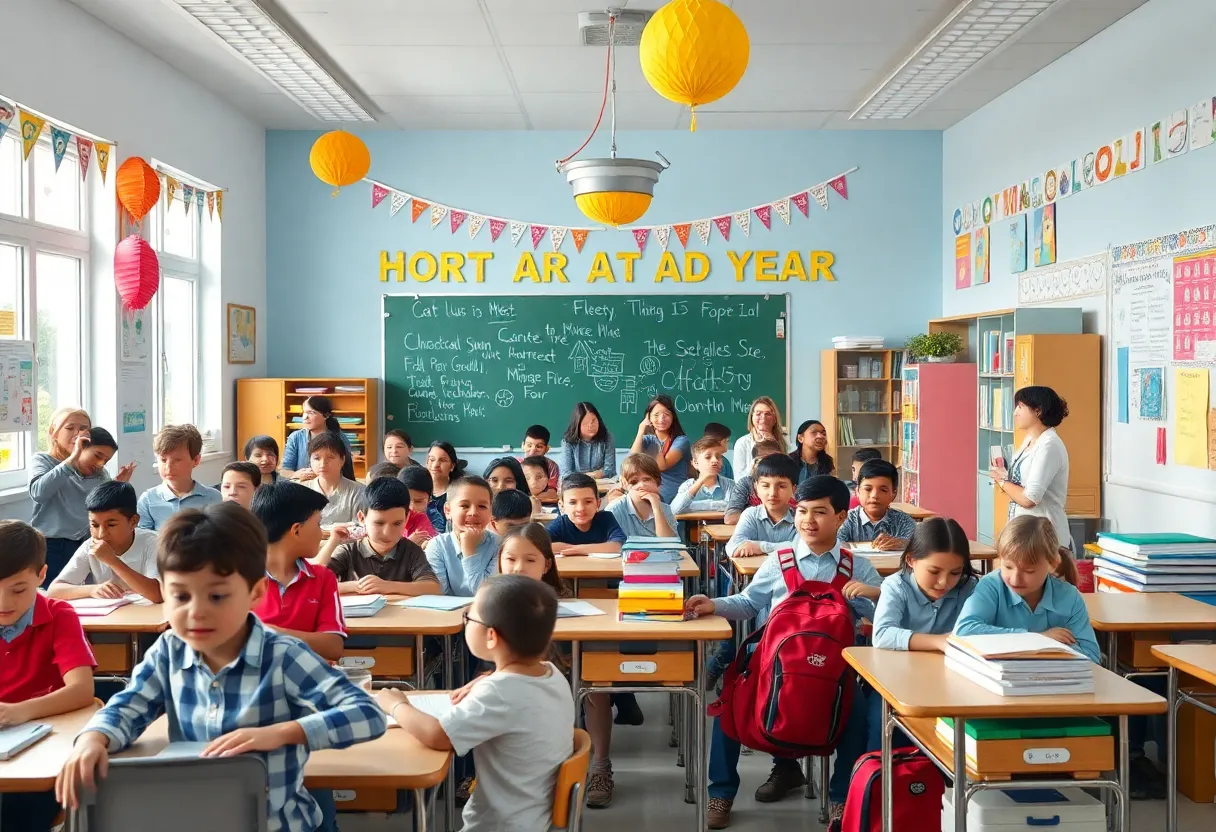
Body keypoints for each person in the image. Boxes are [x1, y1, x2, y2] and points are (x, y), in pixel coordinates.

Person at [55, 503, 386, 832]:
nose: (197, 612)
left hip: (279, 823)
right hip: (200, 816)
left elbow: (366, 713)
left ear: (255, 593)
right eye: (180, 597)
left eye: (216, 597)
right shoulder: (169, 652)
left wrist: (286, 733)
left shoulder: (282, 656)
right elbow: (127, 707)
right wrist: (93, 739)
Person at [686, 476, 881, 828]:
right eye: (802, 511)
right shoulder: (781, 559)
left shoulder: (858, 567)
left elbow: (881, 622)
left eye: (819, 512)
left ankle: (841, 798)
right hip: (774, 667)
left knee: (861, 720)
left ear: (840, 517)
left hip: (833, 675)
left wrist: (874, 595)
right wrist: (711, 604)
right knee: (729, 710)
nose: (808, 520)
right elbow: (748, 603)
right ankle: (722, 792)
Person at [378, 575, 573, 832]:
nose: (466, 621)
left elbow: (439, 736)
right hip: (534, 818)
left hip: (498, 826)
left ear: (491, 636)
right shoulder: (550, 673)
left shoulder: (500, 693)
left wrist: (397, 705)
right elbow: (513, 692)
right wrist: (491, 680)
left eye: (469, 617)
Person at [0, 521, 96, 832]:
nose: (4, 603)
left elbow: (82, 690)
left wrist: (17, 711)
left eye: (18, 590)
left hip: (43, 747)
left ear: (42, 575)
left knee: (18, 814)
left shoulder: (60, 615)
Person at [869, 517, 976, 751]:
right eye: (934, 571)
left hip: (950, 684)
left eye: (955, 573)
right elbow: (883, 635)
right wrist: (939, 642)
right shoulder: (896, 586)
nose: (943, 582)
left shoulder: (968, 589)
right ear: (911, 560)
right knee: (881, 730)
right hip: (897, 683)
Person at [954, 515, 1098, 664]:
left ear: (1052, 564)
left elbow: (1092, 656)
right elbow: (964, 631)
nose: (1015, 579)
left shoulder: (1069, 596)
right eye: (1008, 567)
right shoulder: (991, 586)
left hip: (1051, 682)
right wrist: (1036, 639)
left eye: (1029, 571)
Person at [250, 481, 348, 662]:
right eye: (318, 524)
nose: (321, 534)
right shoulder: (238, 578)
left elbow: (333, 646)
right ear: (296, 530)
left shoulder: (322, 578)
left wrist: (270, 633)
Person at [30, 416, 134, 586]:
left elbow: (102, 508)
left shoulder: (100, 475)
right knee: (52, 596)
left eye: (106, 461)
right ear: (82, 446)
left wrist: (117, 485)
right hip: (51, 545)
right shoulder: (44, 461)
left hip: (83, 544)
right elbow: (39, 493)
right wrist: (73, 458)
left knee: (80, 598)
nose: (100, 464)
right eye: (97, 456)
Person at [988, 386, 1073, 553]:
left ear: (1038, 411)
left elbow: (1029, 499)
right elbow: (1023, 483)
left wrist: (1002, 481)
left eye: (1020, 406)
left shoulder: (1049, 445)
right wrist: (1004, 475)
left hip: (1043, 537)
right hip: (1025, 533)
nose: (1015, 413)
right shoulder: (1030, 440)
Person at [324, 478, 441, 598]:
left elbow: (433, 587)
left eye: (397, 523)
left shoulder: (411, 551)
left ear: (406, 518)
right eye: (379, 523)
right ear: (362, 518)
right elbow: (316, 584)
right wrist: (357, 586)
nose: (387, 533)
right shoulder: (348, 551)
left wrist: (387, 586)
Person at [48, 482, 162, 604]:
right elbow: (54, 591)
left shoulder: (155, 543)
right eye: (94, 525)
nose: (101, 534)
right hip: (111, 618)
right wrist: (92, 589)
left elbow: (157, 594)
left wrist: (112, 561)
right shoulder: (90, 546)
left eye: (111, 525)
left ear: (133, 521)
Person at [425, 476, 500, 597]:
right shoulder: (438, 546)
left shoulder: (500, 545)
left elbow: (486, 594)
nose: (473, 512)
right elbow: (439, 594)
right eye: (465, 505)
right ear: (448, 510)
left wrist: (469, 551)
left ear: (491, 512)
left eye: (482, 506)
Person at [137, 424, 221, 531]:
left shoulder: (214, 498)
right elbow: (144, 540)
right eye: (163, 460)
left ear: (196, 460)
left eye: (177, 460)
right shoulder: (148, 500)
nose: (168, 467)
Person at [725, 454, 801, 559]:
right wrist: (783, 547)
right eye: (765, 485)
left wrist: (760, 547)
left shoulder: (800, 518)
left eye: (781, 486)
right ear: (756, 487)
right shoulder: (751, 514)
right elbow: (733, 547)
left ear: (793, 489)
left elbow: (802, 548)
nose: (773, 493)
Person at [837, 459, 915, 551]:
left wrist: (904, 544)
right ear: (857, 491)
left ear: (894, 493)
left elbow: (923, 548)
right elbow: (830, 547)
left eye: (883, 490)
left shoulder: (904, 522)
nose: (874, 495)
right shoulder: (845, 520)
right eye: (868, 489)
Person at [629, 394, 690, 503]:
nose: (661, 419)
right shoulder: (647, 439)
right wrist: (641, 430)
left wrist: (654, 436)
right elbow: (632, 459)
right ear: (649, 418)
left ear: (673, 417)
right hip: (650, 492)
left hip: (673, 496)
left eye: (666, 414)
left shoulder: (681, 440)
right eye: (656, 415)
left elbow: (662, 465)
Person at [546, 473, 625, 555]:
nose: (581, 509)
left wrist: (574, 550)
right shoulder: (560, 525)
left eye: (588, 502)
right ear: (562, 506)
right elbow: (538, 546)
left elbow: (617, 546)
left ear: (598, 504)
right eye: (573, 502)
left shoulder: (607, 519)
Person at [282, 395, 354, 481]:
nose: (305, 417)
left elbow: (347, 472)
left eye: (311, 413)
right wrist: (295, 474)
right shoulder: (295, 437)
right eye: (304, 412)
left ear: (326, 415)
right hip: (302, 487)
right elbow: (285, 470)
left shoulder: (340, 437)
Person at [608, 453, 677, 539]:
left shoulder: (665, 509)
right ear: (625, 484)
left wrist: (656, 509)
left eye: (647, 479)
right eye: (634, 482)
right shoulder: (614, 510)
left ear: (658, 484)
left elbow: (669, 543)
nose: (642, 485)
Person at [303, 432, 366, 526]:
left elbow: (361, 526)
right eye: (317, 458)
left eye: (330, 457)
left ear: (342, 460)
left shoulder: (359, 491)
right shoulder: (301, 490)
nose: (323, 464)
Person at [722, 440, 786, 524]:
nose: (771, 465)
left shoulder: (787, 484)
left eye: (776, 460)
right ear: (755, 463)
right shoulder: (746, 484)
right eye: (765, 460)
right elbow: (730, 518)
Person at [670, 435, 735, 514]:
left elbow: (734, 508)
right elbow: (673, 510)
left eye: (718, 457)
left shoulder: (730, 485)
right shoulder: (688, 485)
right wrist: (700, 481)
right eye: (708, 457)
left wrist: (691, 506)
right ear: (695, 463)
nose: (715, 460)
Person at [731, 397, 786, 475]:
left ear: (775, 419)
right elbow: (738, 479)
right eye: (758, 413)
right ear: (752, 417)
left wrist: (773, 444)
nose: (763, 418)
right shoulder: (742, 443)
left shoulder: (783, 441)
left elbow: (787, 472)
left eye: (768, 414)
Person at [560, 401, 616, 479]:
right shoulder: (568, 442)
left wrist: (579, 475)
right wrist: (595, 474)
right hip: (577, 487)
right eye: (586, 423)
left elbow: (610, 471)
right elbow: (565, 474)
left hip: (603, 486)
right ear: (577, 424)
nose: (591, 426)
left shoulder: (607, 437)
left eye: (593, 421)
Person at [426, 441, 466, 533]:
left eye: (442, 460)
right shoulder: (418, 491)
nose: (435, 465)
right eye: (432, 459)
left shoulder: (459, 493)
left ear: (452, 466)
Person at [398, 465, 439, 547]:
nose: (411, 507)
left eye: (418, 501)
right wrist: (409, 544)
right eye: (406, 500)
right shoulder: (387, 517)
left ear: (429, 500)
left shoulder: (430, 521)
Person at [519, 425, 560, 502]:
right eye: (529, 445)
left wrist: (531, 500)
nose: (532, 451)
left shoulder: (551, 466)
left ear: (546, 449)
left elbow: (552, 493)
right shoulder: (515, 464)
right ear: (523, 445)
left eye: (539, 447)